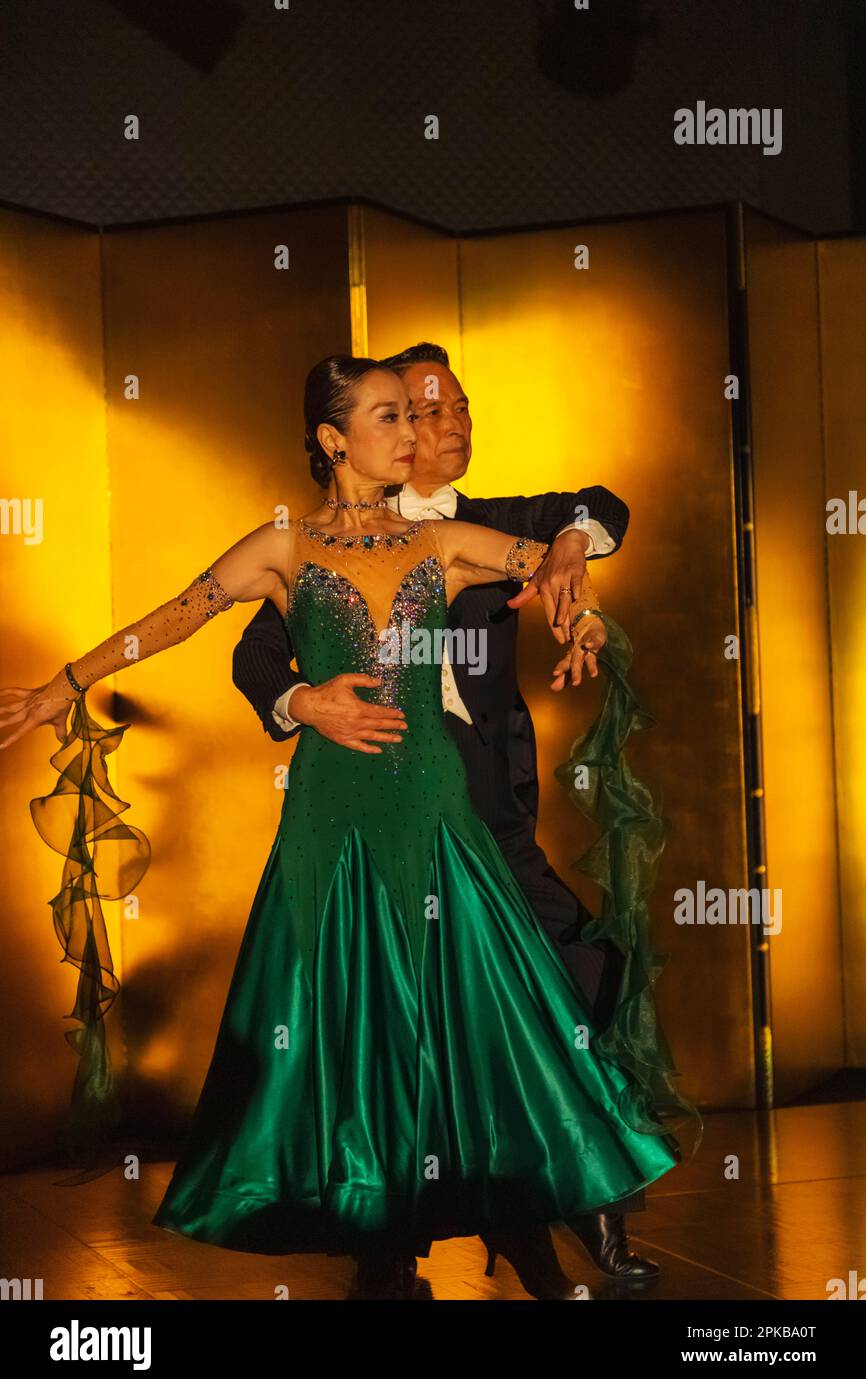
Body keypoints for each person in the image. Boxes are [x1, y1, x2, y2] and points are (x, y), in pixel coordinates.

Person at [0, 355, 679, 1301]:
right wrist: (57, 689)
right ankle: (380, 1243)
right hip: (334, 819)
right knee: (354, 1031)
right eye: (392, 417)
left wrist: (584, 617)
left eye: (416, 416)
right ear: (333, 439)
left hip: (439, 811)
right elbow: (169, 621)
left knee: (485, 1020)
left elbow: (563, 576)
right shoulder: (282, 548)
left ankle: (526, 1220)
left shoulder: (445, 544)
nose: (413, 434)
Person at [232, 342, 656, 1279]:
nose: (450, 422)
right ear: (366, 433)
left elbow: (600, 510)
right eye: (422, 408)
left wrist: (572, 559)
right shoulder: (323, 545)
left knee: (568, 973)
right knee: (393, 1010)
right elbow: (256, 657)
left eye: (459, 405)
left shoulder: (491, 525)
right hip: (382, 802)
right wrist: (304, 702)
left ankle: (575, 1192)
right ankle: (396, 1234)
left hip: (483, 802)